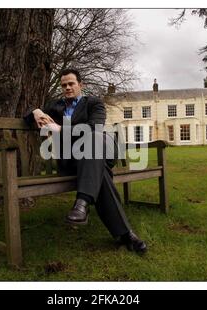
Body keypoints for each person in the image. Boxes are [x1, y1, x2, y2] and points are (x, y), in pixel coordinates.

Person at [23, 68, 147, 253]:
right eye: (64, 85)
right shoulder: (55, 107)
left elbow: (92, 127)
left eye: (71, 83)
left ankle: (82, 204)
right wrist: (36, 111)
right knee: (100, 173)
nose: (67, 87)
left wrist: (60, 129)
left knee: (94, 137)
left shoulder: (94, 103)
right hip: (74, 161)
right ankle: (125, 234)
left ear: (81, 85)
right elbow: (26, 115)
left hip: (100, 149)